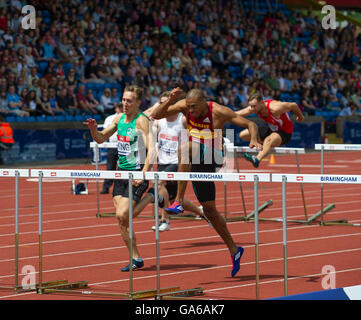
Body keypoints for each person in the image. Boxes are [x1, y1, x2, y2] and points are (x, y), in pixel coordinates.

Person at [150, 87, 261, 278]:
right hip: (199, 162)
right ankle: (235, 250)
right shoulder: (185, 106)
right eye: (189, 107)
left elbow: (251, 125)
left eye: (194, 107)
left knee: (186, 147)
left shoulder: (218, 110)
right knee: (209, 209)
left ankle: (178, 200)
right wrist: (170, 101)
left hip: (214, 156)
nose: (191, 111)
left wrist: (253, 140)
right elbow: (155, 114)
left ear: (203, 102)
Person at [83, 85, 156, 272]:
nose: (125, 103)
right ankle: (136, 258)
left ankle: (151, 196)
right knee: (123, 220)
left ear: (138, 103)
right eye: (123, 100)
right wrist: (93, 129)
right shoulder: (119, 119)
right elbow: (100, 139)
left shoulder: (142, 121)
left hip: (137, 173)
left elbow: (152, 151)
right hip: (121, 173)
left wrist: (143, 173)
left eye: (129, 100)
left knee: (122, 214)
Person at [150, 91, 204, 231]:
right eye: (161, 104)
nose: (164, 107)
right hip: (163, 161)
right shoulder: (158, 121)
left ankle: (164, 220)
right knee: (172, 199)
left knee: (160, 183)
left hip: (178, 162)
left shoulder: (182, 120)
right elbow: (152, 141)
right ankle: (201, 212)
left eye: (167, 103)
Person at [236, 92, 304, 168]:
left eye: (254, 106)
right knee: (243, 134)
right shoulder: (254, 108)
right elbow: (236, 114)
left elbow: (293, 105)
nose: (252, 109)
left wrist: (300, 116)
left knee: (268, 140)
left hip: (284, 133)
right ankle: (267, 146)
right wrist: (224, 116)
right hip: (271, 130)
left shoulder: (275, 108)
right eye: (251, 106)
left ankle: (257, 159)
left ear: (261, 102)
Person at [100, 102, 123, 194]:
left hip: (125, 145)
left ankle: (126, 186)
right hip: (113, 145)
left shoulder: (129, 118)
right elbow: (104, 131)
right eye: (118, 107)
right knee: (110, 167)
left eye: (121, 107)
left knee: (126, 167)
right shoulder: (109, 118)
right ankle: (106, 187)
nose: (120, 109)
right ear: (115, 108)